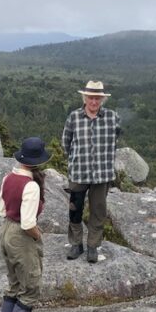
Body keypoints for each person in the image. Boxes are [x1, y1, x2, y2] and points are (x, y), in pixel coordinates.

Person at [0, 137, 50, 312]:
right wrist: (38, 236)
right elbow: (28, 223)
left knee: (15, 283)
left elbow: (1, 208)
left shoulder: (9, 177)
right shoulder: (31, 186)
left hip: (6, 229)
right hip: (21, 235)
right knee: (30, 288)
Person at [62, 80, 121, 264]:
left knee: (98, 210)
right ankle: (76, 243)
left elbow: (116, 139)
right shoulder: (74, 117)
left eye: (97, 98)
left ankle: (93, 246)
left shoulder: (112, 117)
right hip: (79, 172)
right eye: (90, 98)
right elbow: (66, 141)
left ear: (102, 99)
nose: (94, 102)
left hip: (102, 174)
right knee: (75, 209)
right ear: (84, 98)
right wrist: (74, 159)